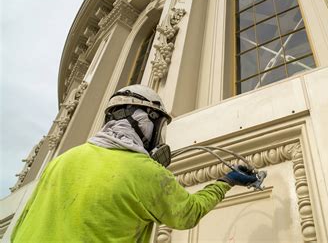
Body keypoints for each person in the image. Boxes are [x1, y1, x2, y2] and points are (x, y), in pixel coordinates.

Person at [12, 84, 257, 242]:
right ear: (146, 122)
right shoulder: (145, 172)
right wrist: (227, 180)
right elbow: (187, 214)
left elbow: (23, 221)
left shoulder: (63, 160)